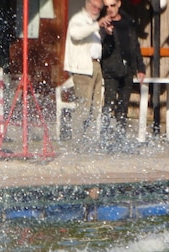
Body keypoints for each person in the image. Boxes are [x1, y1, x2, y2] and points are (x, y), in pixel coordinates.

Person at [64, 0, 111, 144]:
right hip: (83, 68)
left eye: (99, 8)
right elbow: (76, 34)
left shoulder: (92, 23)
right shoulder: (79, 19)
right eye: (94, 6)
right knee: (83, 107)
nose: (96, 10)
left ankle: (87, 141)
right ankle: (77, 142)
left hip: (95, 66)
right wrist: (97, 25)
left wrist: (104, 31)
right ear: (87, 4)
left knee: (95, 108)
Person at [100, 0, 146, 147]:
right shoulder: (103, 23)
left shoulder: (128, 21)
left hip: (127, 69)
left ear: (119, 4)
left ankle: (120, 138)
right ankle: (105, 138)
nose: (110, 9)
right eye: (107, 7)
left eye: (112, 6)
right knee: (109, 103)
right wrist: (106, 35)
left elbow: (135, 45)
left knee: (123, 105)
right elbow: (102, 50)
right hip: (111, 69)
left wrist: (140, 67)